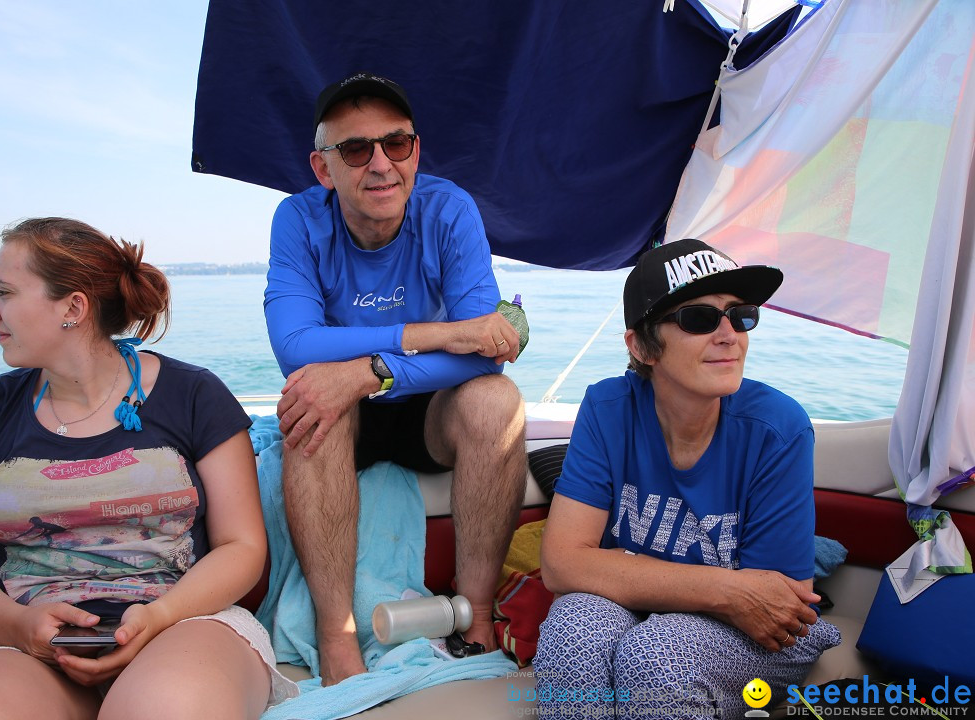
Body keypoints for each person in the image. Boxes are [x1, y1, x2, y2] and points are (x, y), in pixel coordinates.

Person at [0, 218, 298, 720]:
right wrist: (22, 627)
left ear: (74, 307)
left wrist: (158, 617)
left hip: (183, 624)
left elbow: (242, 546)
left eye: (3, 292)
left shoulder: (195, 396)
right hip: (28, 646)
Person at [263, 72, 527, 685]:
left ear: (416, 151)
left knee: (496, 401)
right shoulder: (298, 220)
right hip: (342, 408)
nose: (381, 163)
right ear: (324, 169)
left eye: (397, 144)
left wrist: (373, 371)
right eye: (356, 150)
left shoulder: (449, 209)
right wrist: (437, 333)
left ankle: (478, 616)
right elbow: (296, 345)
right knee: (311, 401)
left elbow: (487, 353)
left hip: (424, 405)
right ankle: (337, 639)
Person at [533, 239, 841, 719]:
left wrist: (624, 573)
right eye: (699, 318)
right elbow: (561, 565)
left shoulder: (778, 428)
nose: (729, 335)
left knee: (656, 656)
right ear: (641, 346)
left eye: (740, 316)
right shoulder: (607, 408)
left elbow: (781, 605)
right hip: (662, 608)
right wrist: (731, 589)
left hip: (761, 637)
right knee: (571, 634)